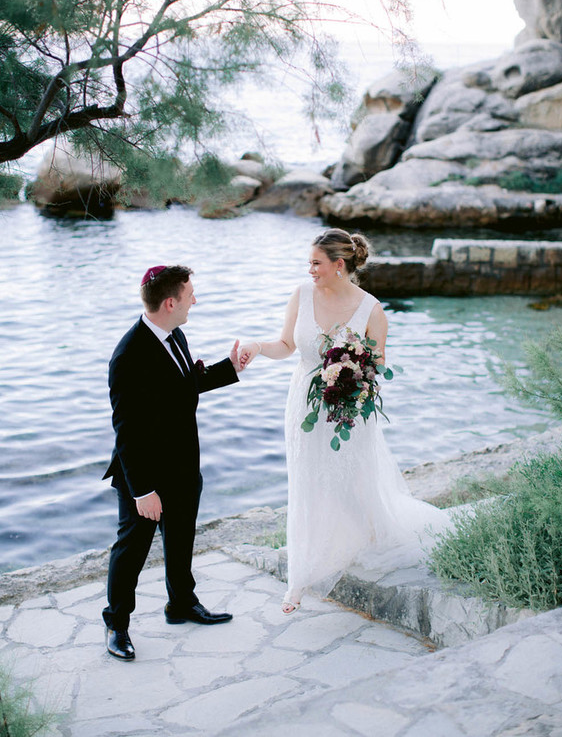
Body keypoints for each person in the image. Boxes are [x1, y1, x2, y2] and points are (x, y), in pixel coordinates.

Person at [239, 228, 449, 614]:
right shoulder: (301, 295)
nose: (310, 270)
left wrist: (354, 374)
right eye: (309, 263)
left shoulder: (372, 310)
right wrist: (255, 346)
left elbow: (378, 366)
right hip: (303, 405)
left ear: (339, 266)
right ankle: (300, 576)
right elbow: (286, 345)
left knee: (353, 477)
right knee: (306, 479)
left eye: (316, 263)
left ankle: (365, 535)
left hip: (348, 409)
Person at [103, 264, 242, 660]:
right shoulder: (128, 355)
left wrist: (229, 369)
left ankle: (181, 603)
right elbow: (125, 430)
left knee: (181, 540)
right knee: (131, 550)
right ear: (169, 302)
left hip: (183, 466)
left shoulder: (174, 334)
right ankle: (117, 625)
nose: (194, 300)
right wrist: (142, 490)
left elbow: (184, 386)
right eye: (190, 294)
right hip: (145, 476)